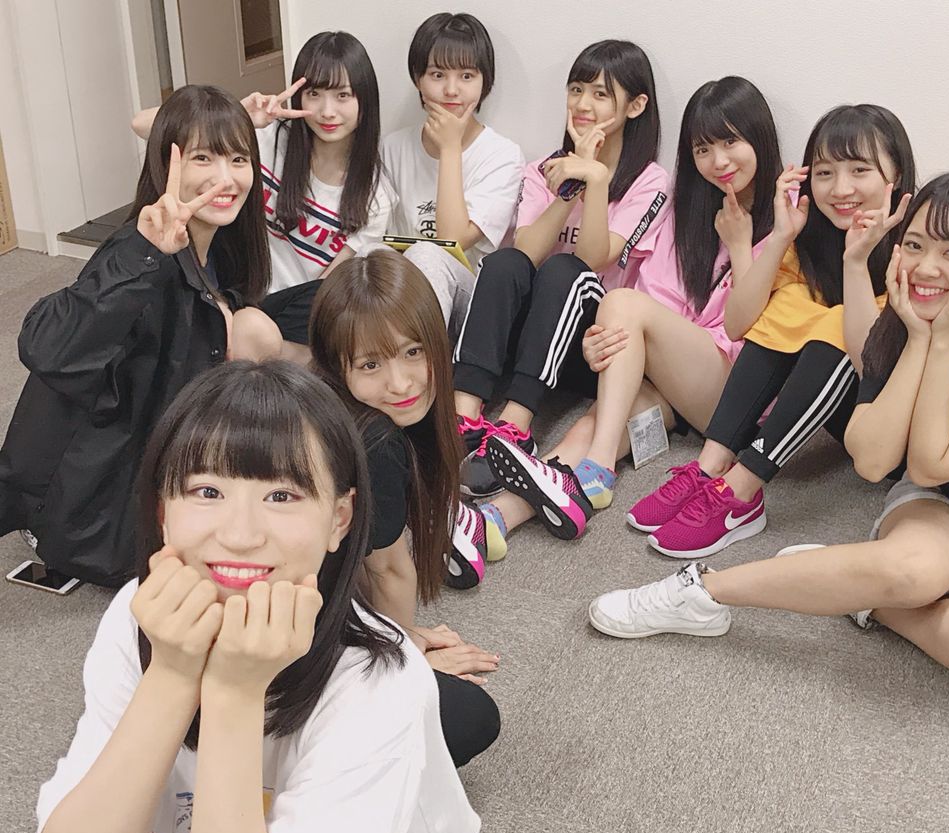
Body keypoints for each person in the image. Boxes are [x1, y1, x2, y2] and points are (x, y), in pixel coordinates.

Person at [36, 360, 527, 833]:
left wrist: (234, 693)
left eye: (283, 496)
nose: (239, 533)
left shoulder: (377, 682)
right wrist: (173, 674)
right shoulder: (142, 620)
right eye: (207, 490)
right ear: (162, 509)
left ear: (339, 518)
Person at [588, 173, 949, 689]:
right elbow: (872, 460)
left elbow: (931, 461)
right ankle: (700, 592)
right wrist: (921, 339)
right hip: (948, 507)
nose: (925, 268)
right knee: (914, 571)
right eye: (914, 245)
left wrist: (948, 341)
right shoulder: (904, 318)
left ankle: (863, 595)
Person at [479, 77, 795, 548]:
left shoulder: (788, 217)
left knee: (621, 304)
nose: (719, 161)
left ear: (760, 139)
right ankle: (497, 519)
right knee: (597, 420)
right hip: (679, 389)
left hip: (738, 398)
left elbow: (748, 330)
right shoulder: (689, 212)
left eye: (731, 142)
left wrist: (739, 245)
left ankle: (600, 466)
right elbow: (658, 299)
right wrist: (607, 340)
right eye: (703, 149)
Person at [0, 85, 275, 585]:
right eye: (203, 158)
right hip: (98, 513)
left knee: (263, 332)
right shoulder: (140, 252)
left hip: (156, 463)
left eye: (239, 159)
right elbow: (45, 347)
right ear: (166, 163)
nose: (225, 178)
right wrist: (143, 253)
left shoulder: (222, 245)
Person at [629, 104, 916, 558]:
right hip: (841, 414)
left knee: (835, 324)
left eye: (860, 170)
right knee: (789, 304)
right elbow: (739, 323)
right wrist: (782, 236)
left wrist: (857, 261)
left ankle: (742, 491)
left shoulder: (915, 245)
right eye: (825, 172)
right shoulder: (814, 235)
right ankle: (710, 466)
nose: (841, 189)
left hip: (896, 432)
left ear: (895, 174)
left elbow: (871, 363)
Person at [452, 39, 668, 499]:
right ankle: (463, 416)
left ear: (636, 106)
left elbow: (593, 258)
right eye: (576, 89)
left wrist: (597, 179)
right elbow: (528, 249)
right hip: (535, 339)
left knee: (566, 270)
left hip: (593, 348)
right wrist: (570, 186)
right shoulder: (542, 169)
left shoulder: (650, 182)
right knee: (505, 262)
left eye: (600, 94)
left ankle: (517, 426)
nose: (583, 104)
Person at [310, 251, 503, 761]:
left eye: (413, 352)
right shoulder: (373, 441)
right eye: (371, 364)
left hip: (298, 622)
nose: (400, 383)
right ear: (338, 366)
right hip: (284, 656)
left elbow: (357, 562)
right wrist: (402, 655)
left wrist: (401, 632)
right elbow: (389, 569)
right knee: (471, 718)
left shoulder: (327, 410)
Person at [132, 31, 396, 355]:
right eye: (314, 93)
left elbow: (329, 290)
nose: (327, 111)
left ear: (365, 100)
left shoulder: (376, 196)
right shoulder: (268, 138)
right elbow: (141, 124)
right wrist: (236, 115)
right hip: (230, 281)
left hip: (292, 309)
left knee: (343, 300)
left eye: (343, 95)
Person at [381, 12, 523, 271]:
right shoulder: (393, 147)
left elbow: (451, 242)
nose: (451, 90)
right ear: (418, 79)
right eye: (437, 75)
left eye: (466, 76)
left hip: (466, 286)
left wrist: (450, 148)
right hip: (401, 284)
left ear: (485, 81)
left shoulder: (503, 156)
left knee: (428, 255)